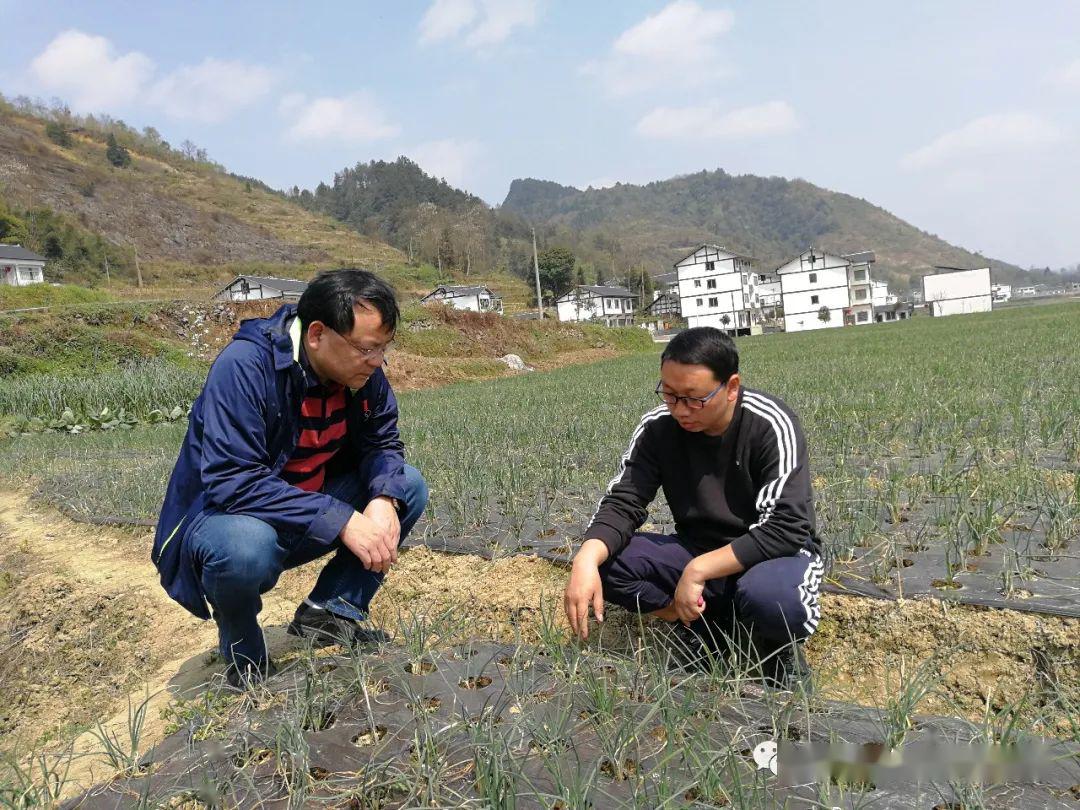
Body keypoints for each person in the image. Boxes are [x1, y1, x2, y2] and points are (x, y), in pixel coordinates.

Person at [152, 269, 429, 686]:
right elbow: (234, 481)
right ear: (317, 334)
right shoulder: (246, 368)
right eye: (367, 349)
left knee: (406, 485)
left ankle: (330, 614)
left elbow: (382, 444)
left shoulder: (362, 377)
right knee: (245, 550)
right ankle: (243, 652)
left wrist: (383, 501)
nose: (377, 362)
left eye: (383, 349)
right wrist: (344, 519)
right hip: (232, 519)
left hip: (307, 507)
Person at [563, 326, 823, 687]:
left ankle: (778, 652)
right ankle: (697, 626)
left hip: (770, 556)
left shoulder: (769, 424)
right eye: (669, 395)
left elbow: (787, 527)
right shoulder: (659, 428)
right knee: (607, 563)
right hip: (697, 547)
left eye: (693, 398)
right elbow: (625, 501)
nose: (680, 410)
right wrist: (585, 559)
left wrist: (699, 570)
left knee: (775, 599)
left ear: (731, 387)